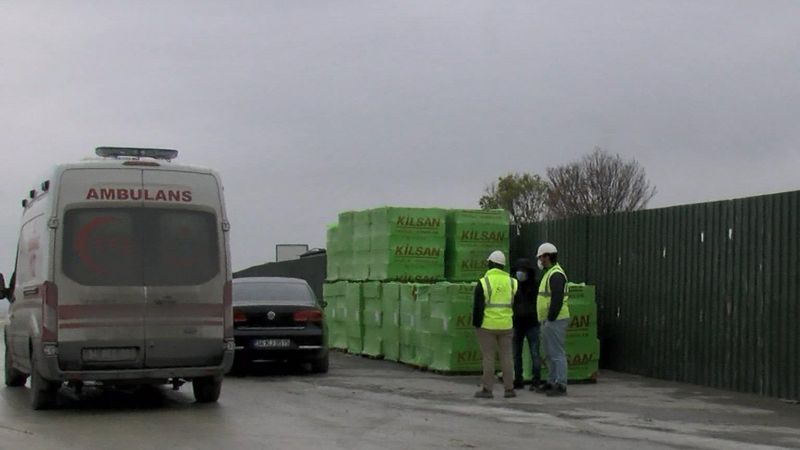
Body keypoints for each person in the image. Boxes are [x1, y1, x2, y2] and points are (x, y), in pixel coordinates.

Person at [472, 250, 518, 399]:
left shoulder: (483, 282)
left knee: (488, 358)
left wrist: (477, 324)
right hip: (506, 325)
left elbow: (478, 307)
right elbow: (516, 304)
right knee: (507, 357)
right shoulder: (512, 282)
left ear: (490, 264)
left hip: (487, 326)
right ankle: (509, 389)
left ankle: (487, 389)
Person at [534, 243, 570, 397]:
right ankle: (552, 381)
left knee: (557, 353)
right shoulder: (550, 273)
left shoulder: (556, 274)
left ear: (547, 256)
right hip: (549, 320)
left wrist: (550, 318)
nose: (540, 260)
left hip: (555, 319)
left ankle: (560, 383)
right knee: (550, 352)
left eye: (541, 257)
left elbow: (557, 299)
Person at [511, 258, 542, 390]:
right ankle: (519, 379)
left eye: (523, 270)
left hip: (530, 323)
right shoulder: (514, 285)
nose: (520, 273)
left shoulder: (534, 285)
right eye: (519, 270)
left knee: (533, 352)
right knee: (518, 353)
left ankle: (534, 380)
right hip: (521, 323)